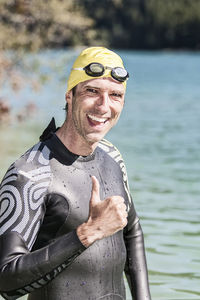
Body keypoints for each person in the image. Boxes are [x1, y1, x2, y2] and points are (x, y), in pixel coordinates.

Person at [0, 47, 151, 300]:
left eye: (115, 95)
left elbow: (132, 231)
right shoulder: (30, 173)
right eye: (92, 91)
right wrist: (88, 233)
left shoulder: (112, 156)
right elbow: (5, 281)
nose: (104, 106)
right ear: (69, 95)